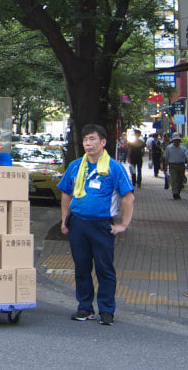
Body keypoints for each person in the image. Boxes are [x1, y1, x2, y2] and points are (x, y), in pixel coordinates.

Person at [58, 124, 135, 326]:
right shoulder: (75, 166)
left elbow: (128, 197)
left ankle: (107, 310)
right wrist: (65, 220)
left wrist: (123, 224)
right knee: (81, 267)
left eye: (92, 139)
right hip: (78, 224)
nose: (88, 143)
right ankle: (84, 307)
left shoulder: (114, 167)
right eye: (85, 139)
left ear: (103, 142)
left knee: (104, 268)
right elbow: (66, 193)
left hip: (102, 225)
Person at [164, 133, 188, 199]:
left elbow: (187, 155)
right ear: (173, 141)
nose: (177, 142)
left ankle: (178, 191)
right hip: (172, 165)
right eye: (175, 140)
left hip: (181, 165)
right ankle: (175, 193)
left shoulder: (183, 148)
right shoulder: (169, 148)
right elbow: (166, 157)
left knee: (180, 179)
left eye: (178, 140)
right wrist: (165, 166)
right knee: (174, 179)